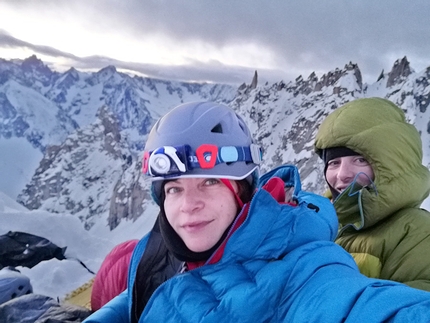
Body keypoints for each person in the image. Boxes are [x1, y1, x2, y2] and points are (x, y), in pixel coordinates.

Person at [85, 101, 430, 323]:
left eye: (210, 183)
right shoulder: (164, 252)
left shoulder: (301, 268)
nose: (188, 204)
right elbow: (141, 300)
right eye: (174, 188)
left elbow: (357, 304)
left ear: (243, 191)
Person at [314, 97, 430, 291]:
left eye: (360, 160)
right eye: (334, 163)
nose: (342, 174)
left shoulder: (417, 233)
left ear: (392, 166)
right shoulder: (315, 222)